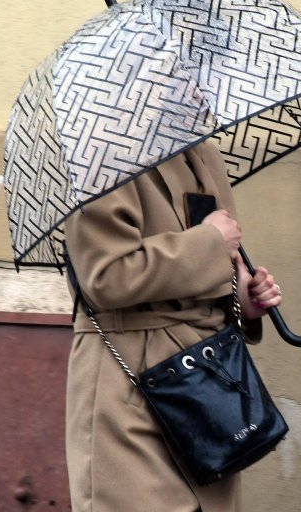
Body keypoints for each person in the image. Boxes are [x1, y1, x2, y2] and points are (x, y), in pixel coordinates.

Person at [63, 140, 283, 511]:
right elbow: (106, 277)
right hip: (129, 384)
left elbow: (212, 261)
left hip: (204, 385)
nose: (199, 89)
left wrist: (238, 300)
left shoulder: (202, 152)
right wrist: (211, 244)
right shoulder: (101, 154)